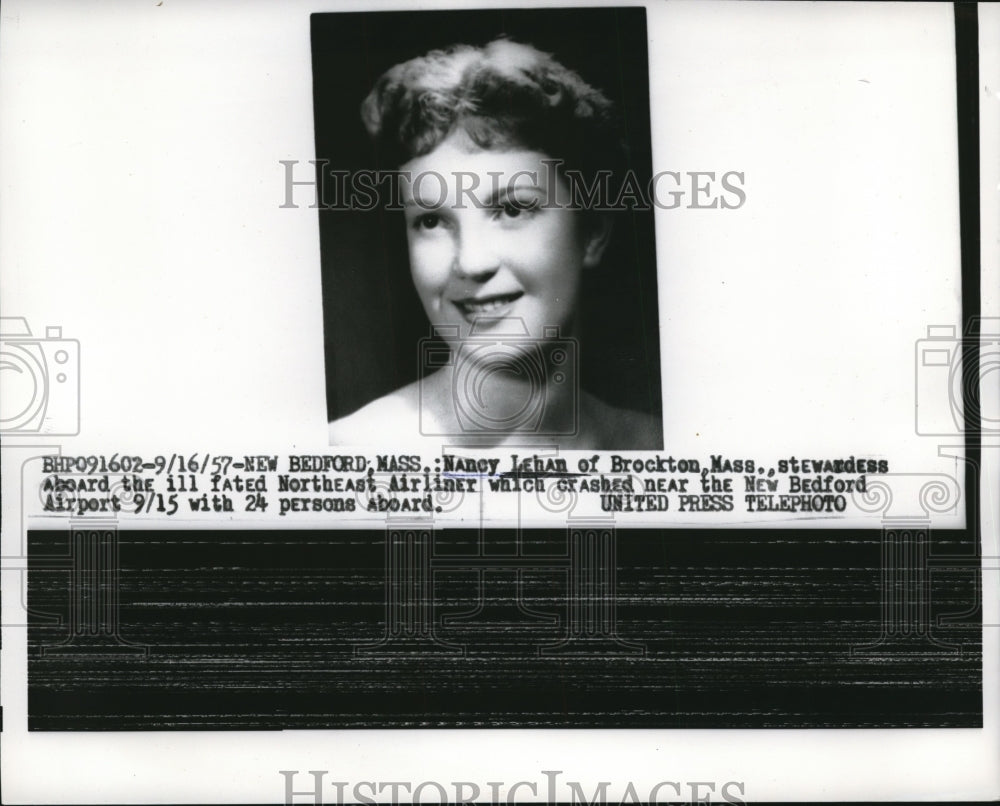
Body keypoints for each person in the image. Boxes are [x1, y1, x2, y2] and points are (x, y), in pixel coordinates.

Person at [328, 38, 662, 449]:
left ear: (592, 232)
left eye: (513, 210)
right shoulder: (352, 452)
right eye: (431, 220)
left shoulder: (655, 443)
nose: (471, 262)